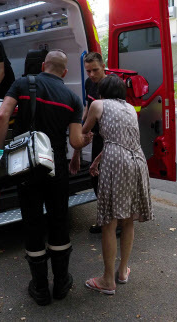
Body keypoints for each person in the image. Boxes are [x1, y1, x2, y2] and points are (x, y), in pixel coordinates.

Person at [0, 50, 90, 306]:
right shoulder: (72, 98)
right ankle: (61, 284)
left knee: (33, 222)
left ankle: (39, 288)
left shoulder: (23, 83)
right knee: (59, 220)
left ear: (44, 65)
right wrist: (85, 140)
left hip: (27, 166)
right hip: (56, 166)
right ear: (65, 72)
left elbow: (3, 115)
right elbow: (74, 140)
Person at [82, 74, 154, 295]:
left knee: (109, 222)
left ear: (102, 91)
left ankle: (107, 280)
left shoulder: (97, 104)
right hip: (137, 162)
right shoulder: (130, 108)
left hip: (116, 163)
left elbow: (84, 131)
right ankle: (122, 272)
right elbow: (122, 141)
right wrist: (97, 160)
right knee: (128, 218)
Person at [69, 52, 107, 234]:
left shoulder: (111, 85)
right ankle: (104, 219)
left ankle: (116, 223)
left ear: (103, 66)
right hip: (97, 136)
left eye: (95, 70)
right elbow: (87, 109)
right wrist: (81, 128)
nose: (91, 75)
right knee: (96, 180)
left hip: (110, 138)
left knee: (108, 181)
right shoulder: (89, 83)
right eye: (88, 71)